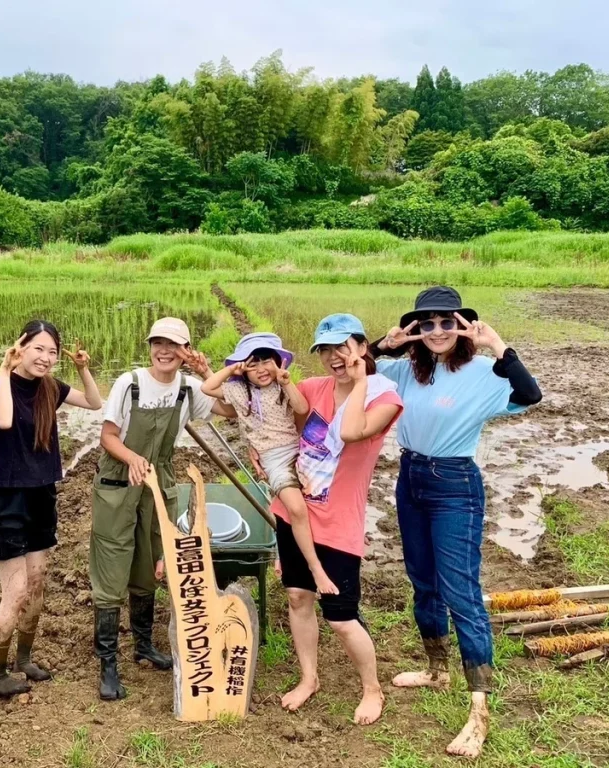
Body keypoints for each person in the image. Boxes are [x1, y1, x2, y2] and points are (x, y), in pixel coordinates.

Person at [372, 286, 541, 758]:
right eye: (427, 324)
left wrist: (497, 344)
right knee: (422, 581)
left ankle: (478, 711)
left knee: (460, 590)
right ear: (416, 331)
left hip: (454, 485)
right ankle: (435, 669)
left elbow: (531, 393)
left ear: (463, 325)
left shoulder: (485, 372)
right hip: (411, 479)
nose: (438, 331)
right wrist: (385, 343)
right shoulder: (406, 370)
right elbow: (355, 366)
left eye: (448, 322)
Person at [259, 314, 402, 724]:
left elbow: (353, 432)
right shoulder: (310, 388)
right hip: (294, 512)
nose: (333, 357)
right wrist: (264, 450)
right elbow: (270, 417)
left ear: (361, 345)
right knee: (297, 597)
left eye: (342, 346)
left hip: (338, 523)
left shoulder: (383, 397)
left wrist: (358, 383)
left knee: (341, 617)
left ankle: (372, 689)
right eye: (325, 350)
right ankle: (309, 678)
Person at [89, 317, 235, 701]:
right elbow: (107, 436)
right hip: (119, 485)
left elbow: (232, 411)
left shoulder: (190, 389)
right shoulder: (130, 383)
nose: (165, 351)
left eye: (174, 344)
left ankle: (142, 645)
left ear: (186, 351)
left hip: (159, 489)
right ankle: (107, 663)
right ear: (150, 345)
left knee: (149, 565)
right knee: (112, 570)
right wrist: (133, 458)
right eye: (158, 342)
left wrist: (209, 373)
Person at [0, 321, 103, 698]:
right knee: (15, 591)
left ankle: (24, 658)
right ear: (21, 347)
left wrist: (82, 367)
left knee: (37, 584)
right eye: (39, 349)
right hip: (6, 499)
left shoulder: (51, 388)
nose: (46, 358)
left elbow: (95, 403)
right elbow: (2, 419)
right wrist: (4, 369)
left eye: (52, 351)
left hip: (41, 495)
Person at [202, 333, 338, 596]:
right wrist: (232, 368)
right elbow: (207, 388)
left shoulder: (281, 386)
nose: (261, 369)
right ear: (243, 368)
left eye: (267, 361)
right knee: (296, 509)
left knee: (316, 506)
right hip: (273, 460)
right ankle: (315, 568)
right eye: (252, 364)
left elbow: (301, 408)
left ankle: (311, 554)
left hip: (300, 452)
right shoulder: (239, 391)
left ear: (278, 363)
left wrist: (286, 382)